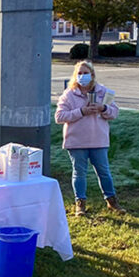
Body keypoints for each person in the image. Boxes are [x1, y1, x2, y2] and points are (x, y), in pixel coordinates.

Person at [55, 60, 125, 217]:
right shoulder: (69, 95)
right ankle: (80, 203)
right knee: (79, 173)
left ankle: (112, 200)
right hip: (76, 141)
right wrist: (81, 111)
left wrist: (103, 108)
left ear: (92, 75)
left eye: (85, 73)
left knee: (104, 172)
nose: (82, 76)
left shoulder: (103, 92)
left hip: (98, 140)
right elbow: (59, 117)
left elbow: (114, 113)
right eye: (79, 73)